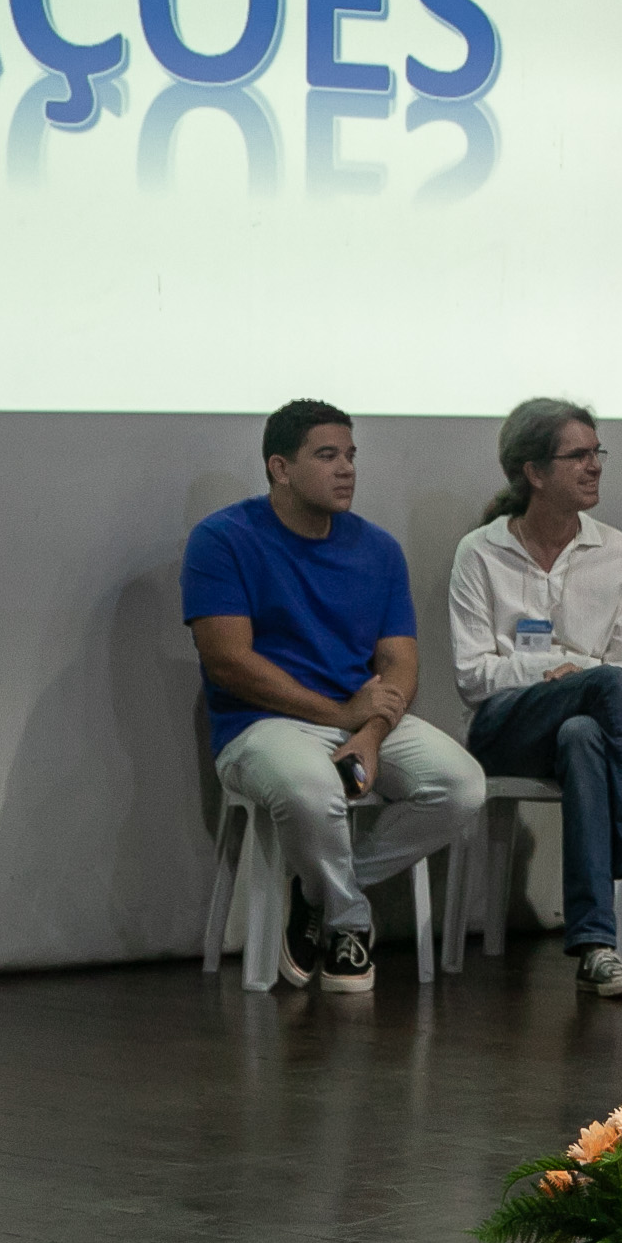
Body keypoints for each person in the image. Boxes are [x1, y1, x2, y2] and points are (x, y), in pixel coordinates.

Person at [185, 399, 486, 994]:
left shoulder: (378, 549)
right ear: (280, 468)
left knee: (460, 787)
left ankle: (316, 889)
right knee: (311, 787)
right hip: (259, 723)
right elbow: (229, 662)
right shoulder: (222, 539)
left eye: (350, 455)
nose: (346, 469)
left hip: (361, 718)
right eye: (327, 456)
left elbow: (399, 663)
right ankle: (349, 920)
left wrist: (369, 734)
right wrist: (340, 714)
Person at [451, 398, 622, 1003]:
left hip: (582, 724)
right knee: (605, 685)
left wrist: (578, 679)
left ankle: (597, 947)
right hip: (503, 729)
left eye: (597, 452)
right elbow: (472, 677)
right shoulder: (480, 552)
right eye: (578, 455)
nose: (595, 465)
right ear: (534, 472)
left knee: (584, 736)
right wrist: (555, 672)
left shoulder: (619, 553)